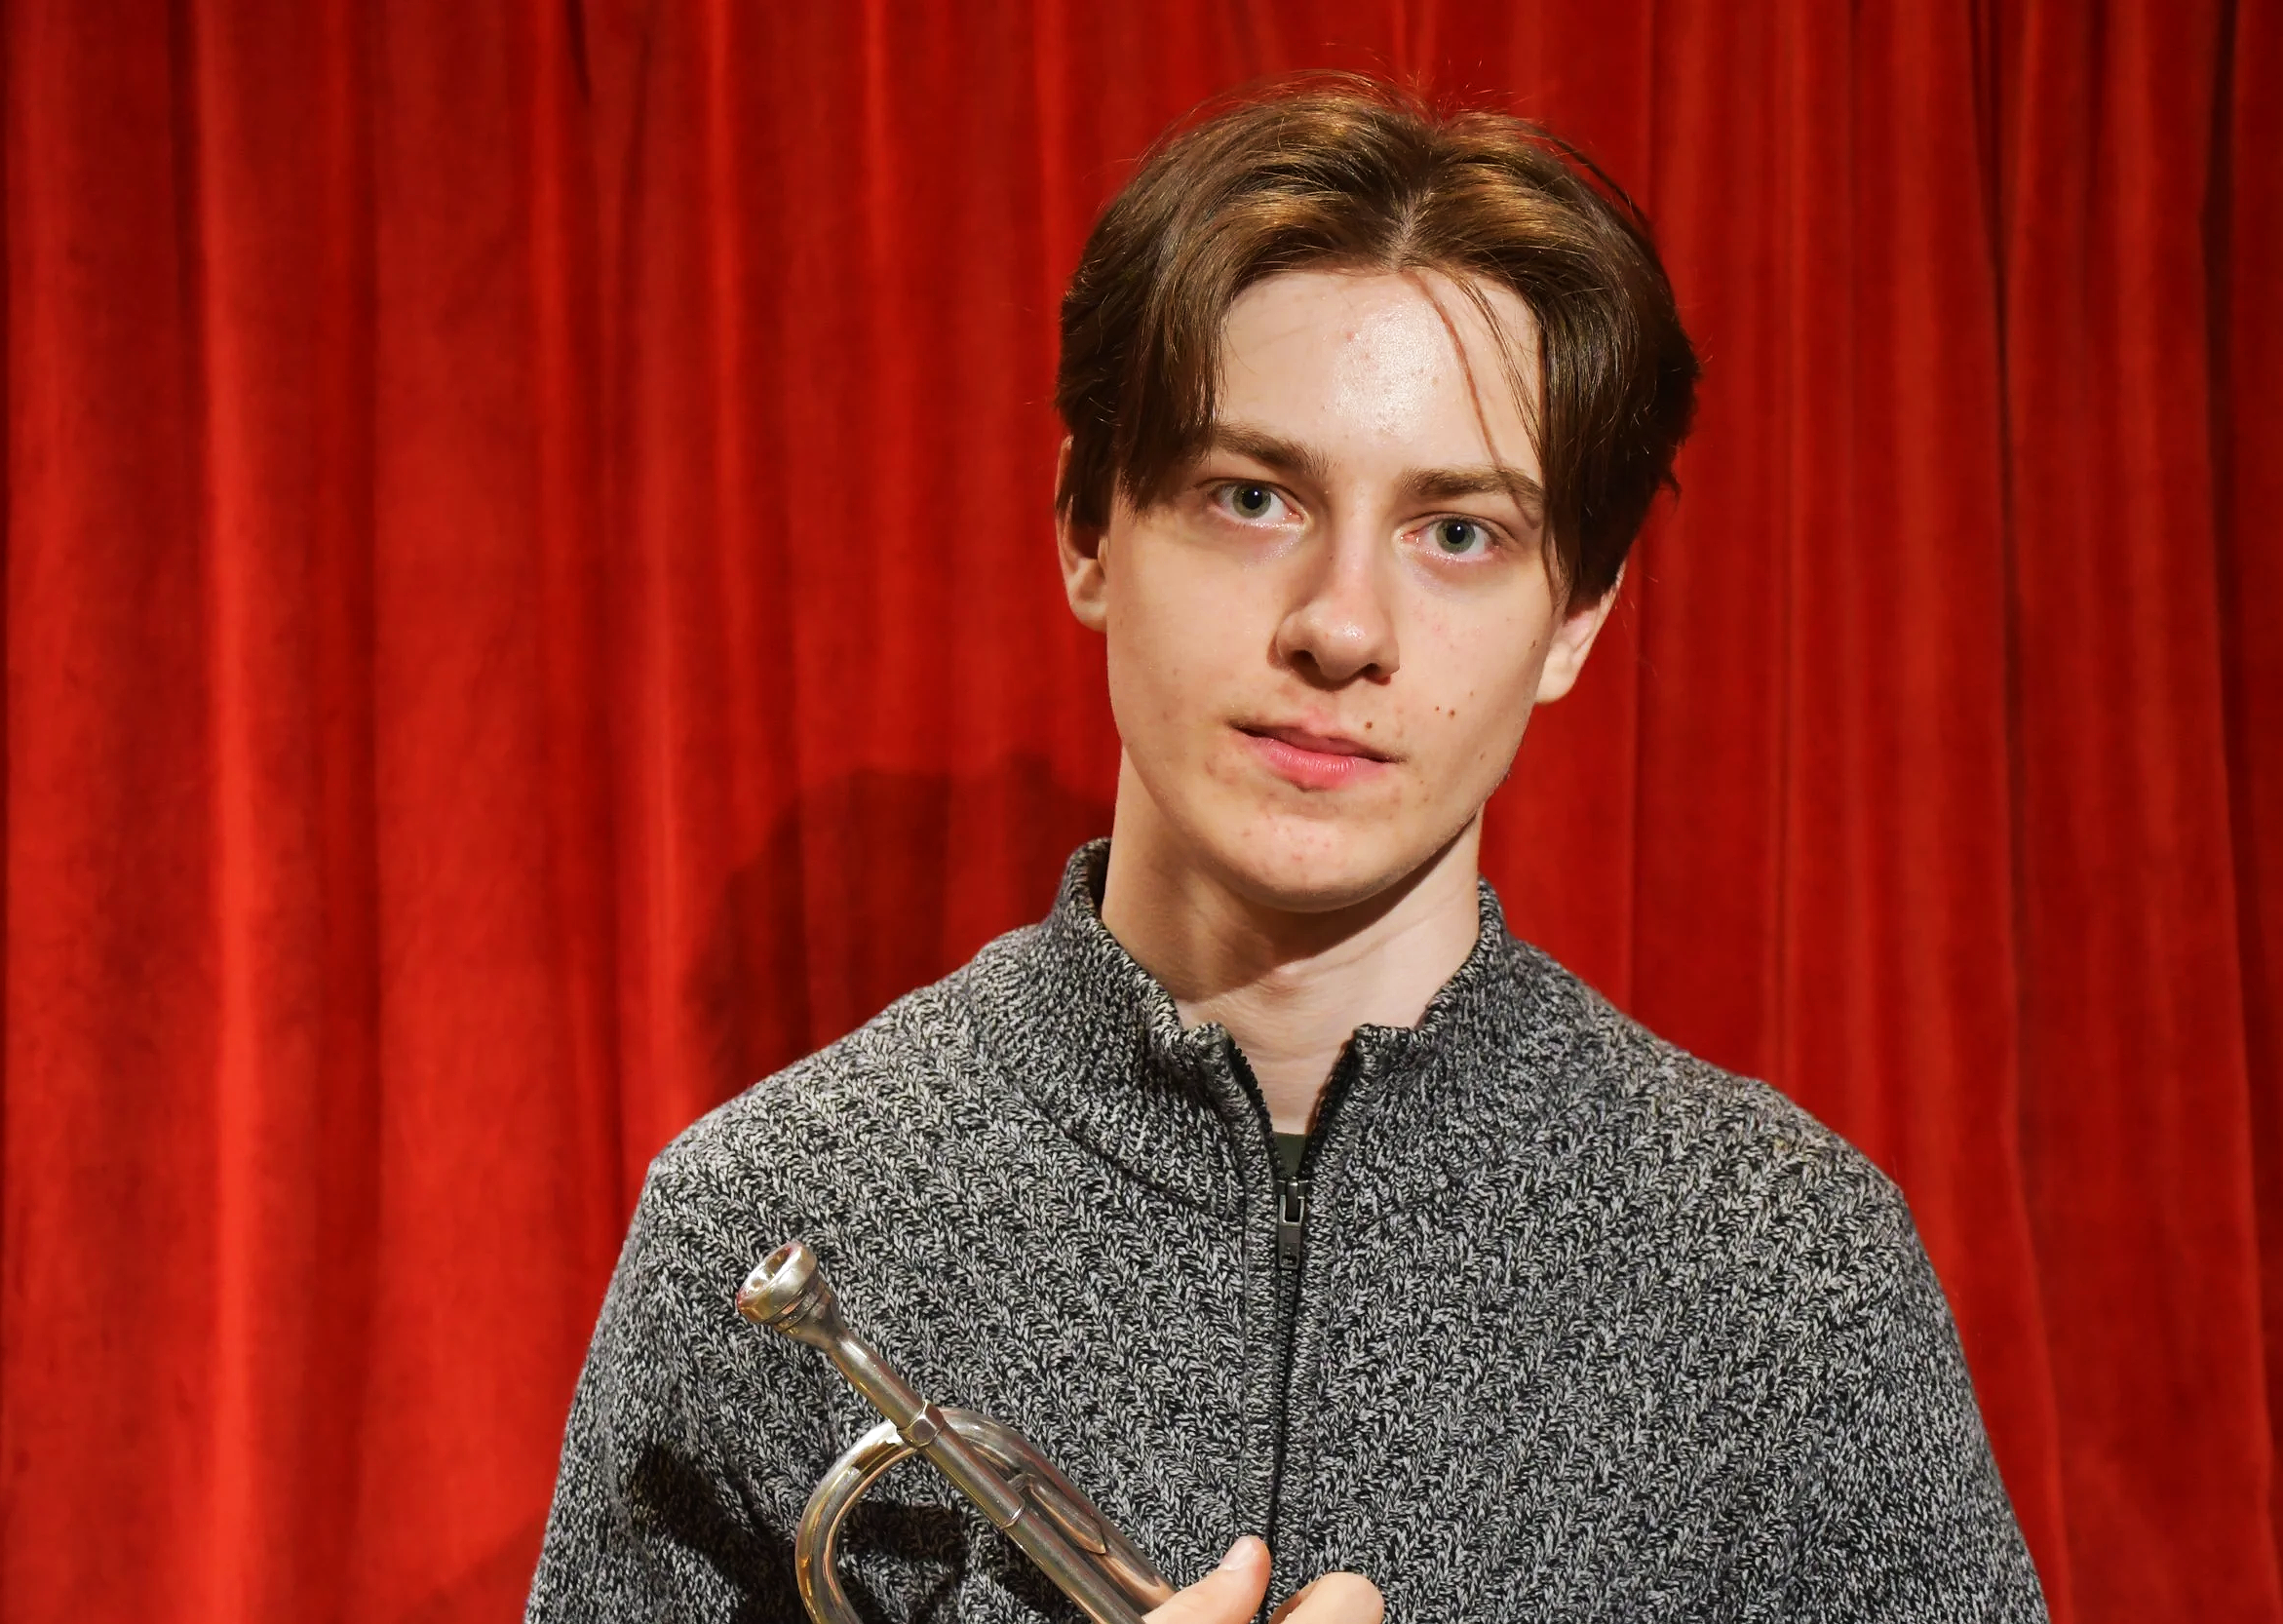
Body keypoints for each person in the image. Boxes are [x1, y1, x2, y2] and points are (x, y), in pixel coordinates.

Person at [525, 76, 2046, 1624]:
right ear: (1088, 527)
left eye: (1459, 532)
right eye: (1252, 496)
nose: (1339, 626)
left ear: (1578, 617)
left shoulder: (1789, 1270)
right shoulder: (768, 1218)